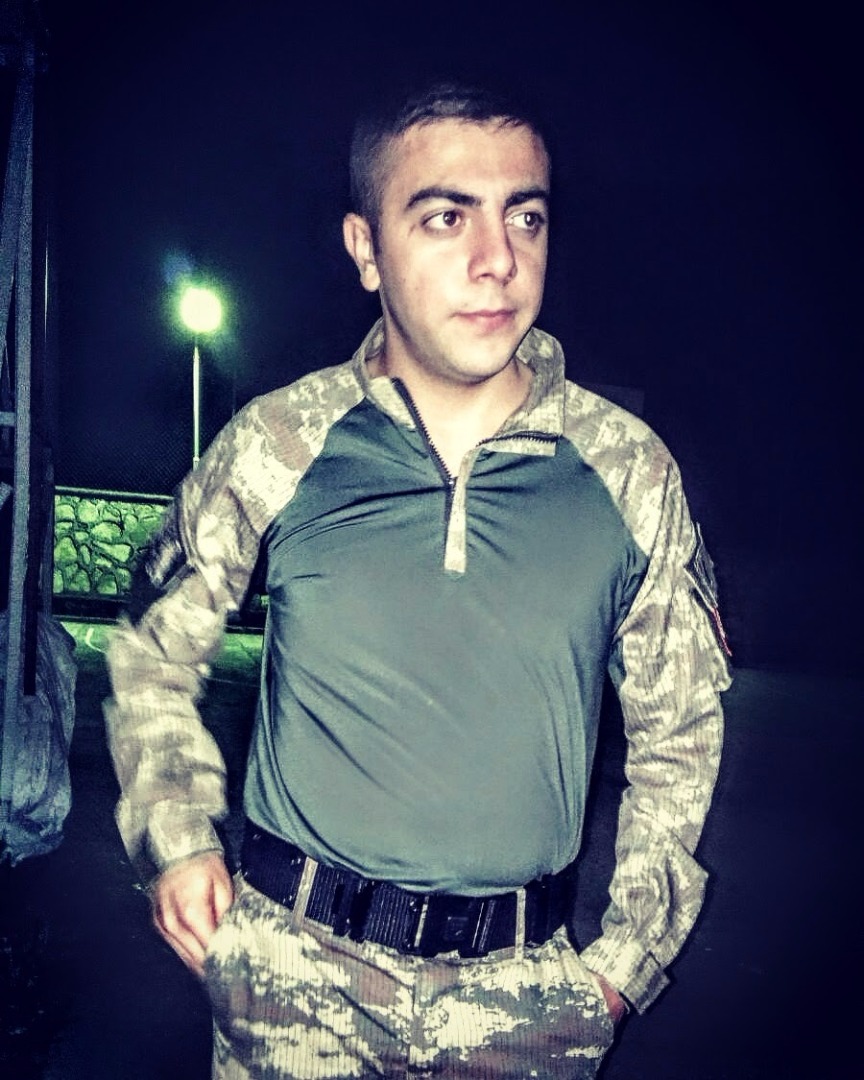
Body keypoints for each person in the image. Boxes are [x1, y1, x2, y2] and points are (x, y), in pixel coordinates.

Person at [104, 81, 731, 1079]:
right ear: (366, 248)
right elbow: (152, 650)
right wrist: (176, 838)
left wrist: (627, 962)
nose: (498, 259)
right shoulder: (280, 441)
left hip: (524, 1005)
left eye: (525, 216)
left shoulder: (627, 469)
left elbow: (682, 728)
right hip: (292, 981)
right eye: (446, 217)